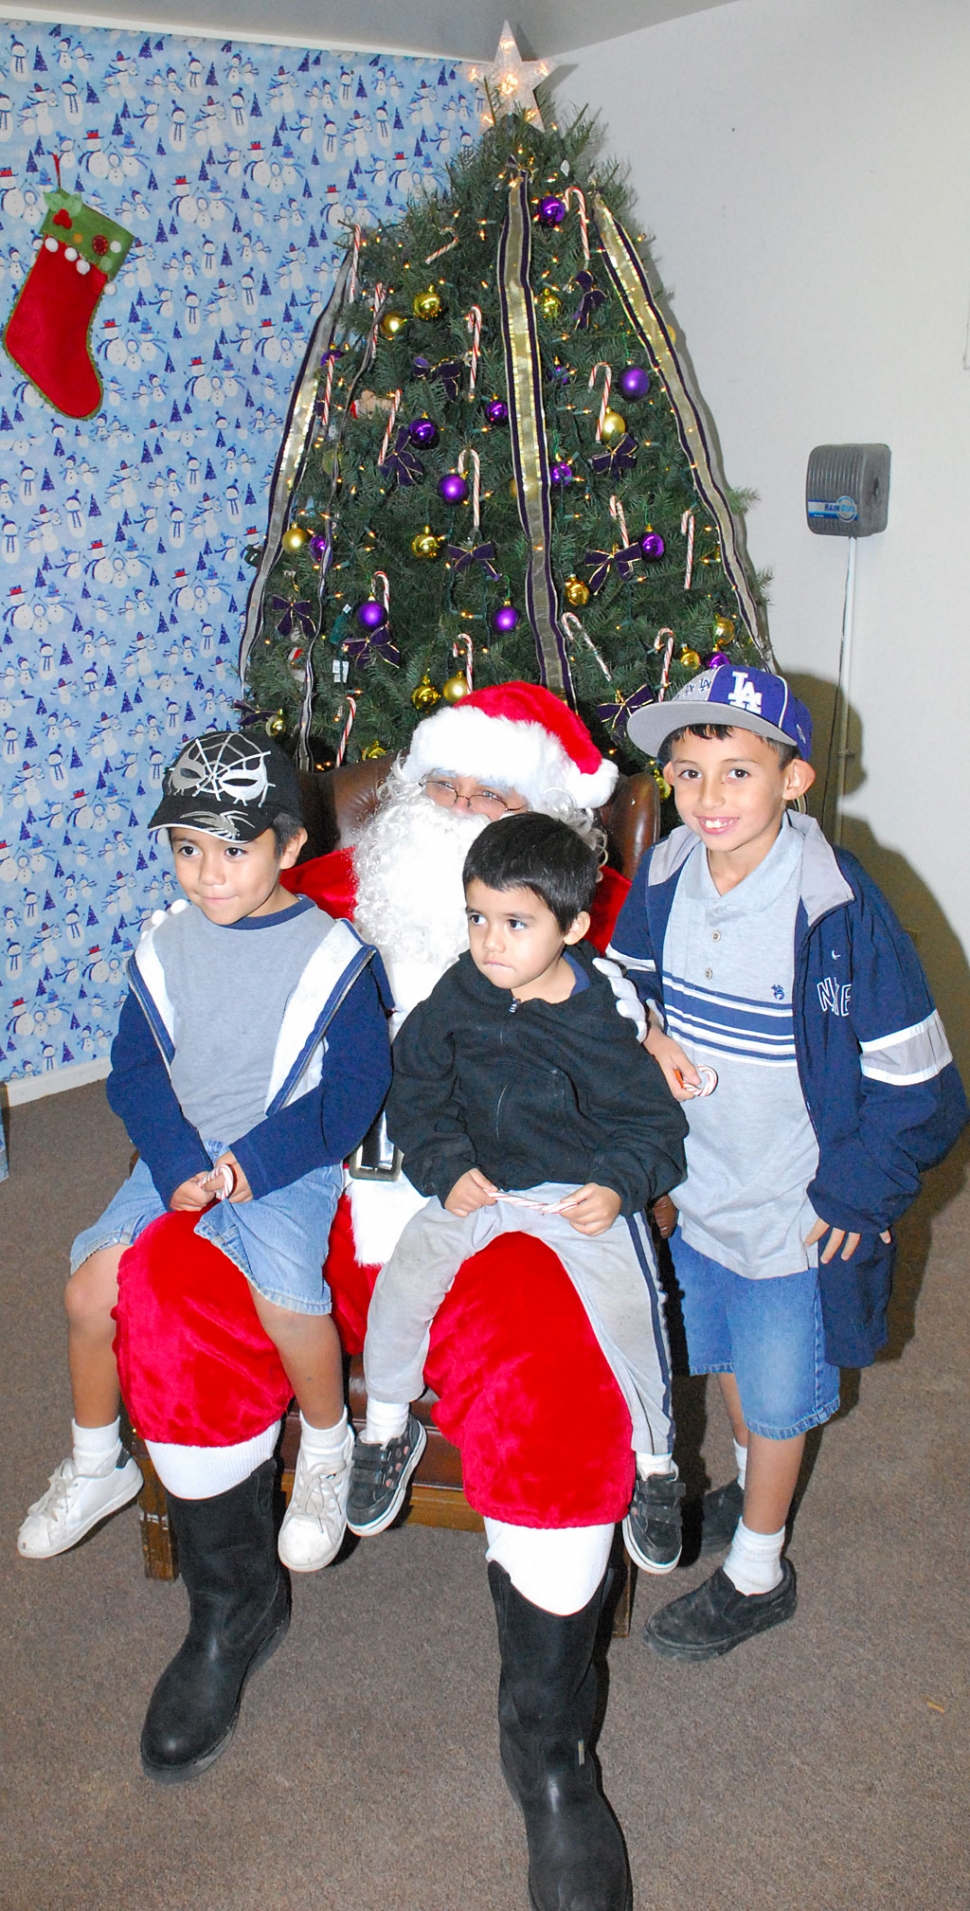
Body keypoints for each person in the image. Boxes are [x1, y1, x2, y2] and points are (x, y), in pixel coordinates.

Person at [112, 684, 658, 1907]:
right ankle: (232, 1611)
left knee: (554, 1374)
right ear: (401, 804)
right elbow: (188, 1027)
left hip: (480, 1238)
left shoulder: (580, 951)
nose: (459, 811)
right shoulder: (303, 910)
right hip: (295, 1211)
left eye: (493, 796)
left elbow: (651, 1078)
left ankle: (552, 1752)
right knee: (164, 1280)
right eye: (444, 786)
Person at [19, 729, 391, 1775]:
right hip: (182, 1155)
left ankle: (326, 1443)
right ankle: (97, 1463)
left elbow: (353, 1093)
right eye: (188, 848)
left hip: (285, 1163)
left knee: (284, 1300)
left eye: (231, 850)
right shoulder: (164, 941)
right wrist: (178, 1160)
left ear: (284, 844)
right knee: (90, 1290)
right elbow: (134, 1068)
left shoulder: (330, 958)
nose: (208, 873)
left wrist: (246, 1170)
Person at [608, 664, 968, 1662]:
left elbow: (922, 1086)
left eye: (736, 772)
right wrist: (643, 1035)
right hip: (698, 1191)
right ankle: (744, 1488)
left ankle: (760, 1570)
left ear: (794, 780)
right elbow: (622, 985)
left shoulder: (844, 913)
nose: (707, 798)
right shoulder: (668, 871)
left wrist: (859, 1188)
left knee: (778, 1394)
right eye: (686, 772)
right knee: (720, 1358)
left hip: (792, 1210)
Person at [348, 811, 688, 1585]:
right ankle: (388, 1428)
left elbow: (653, 1125)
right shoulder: (458, 994)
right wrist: (444, 1164)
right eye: (477, 918)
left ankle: (657, 1462)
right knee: (405, 1278)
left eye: (515, 922)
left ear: (570, 926)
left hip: (581, 1194)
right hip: (482, 1183)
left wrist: (616, 1186)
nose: (490, 941)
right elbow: (416, 1089)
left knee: (635, 1315)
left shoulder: (599, 1018)